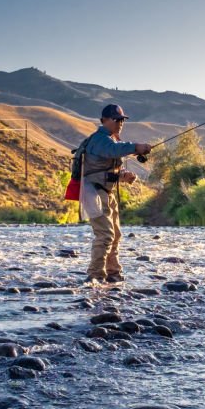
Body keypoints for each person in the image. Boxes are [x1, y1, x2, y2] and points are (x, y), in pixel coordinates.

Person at [79, 104, 151, 284]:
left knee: (115, 235)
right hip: (94, 193)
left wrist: (122, 176)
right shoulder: (99, 139)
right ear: (104, 120)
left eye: (122, 120)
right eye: (116, 119)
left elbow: (103, 167)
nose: (120, 123)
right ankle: (95, 276)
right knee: (105, 235)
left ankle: (113, 273)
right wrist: (136, 147)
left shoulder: (111, 139)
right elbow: (114, 150)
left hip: (106, 193)